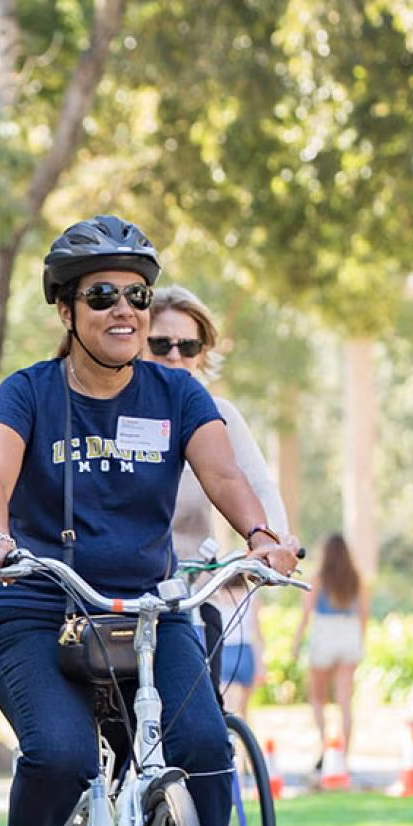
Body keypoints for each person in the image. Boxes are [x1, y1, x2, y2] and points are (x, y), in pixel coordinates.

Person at [0, 215, 301, 826]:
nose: (126, 311)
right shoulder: (27, 392)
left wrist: (258, 533)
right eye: (104, 295)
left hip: (149, 613)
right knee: (62, 755)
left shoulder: (177, 393)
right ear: (67, 311)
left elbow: (222, 475)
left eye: (138, 296)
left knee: (205, 748)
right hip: (38, 610)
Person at [150, 284, 291, 715]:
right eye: (161, 345)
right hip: (118, 597)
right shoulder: (116, 413)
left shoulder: (220, 414)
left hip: (191, 594)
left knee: (203, 729)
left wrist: (275, 541)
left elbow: (257, 484)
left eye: (188, 346)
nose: (176, 356)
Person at [292, 532, 366, 782]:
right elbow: (364, 614)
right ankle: (344, 756)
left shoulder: (319, 579)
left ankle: (326, 748)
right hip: (349, 632)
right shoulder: (356, 579)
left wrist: (296, 643)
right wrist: (360, 643)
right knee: (345, 701)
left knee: (318, 697)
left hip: (325, 631)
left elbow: (306, 613)